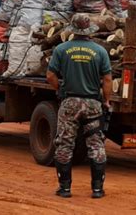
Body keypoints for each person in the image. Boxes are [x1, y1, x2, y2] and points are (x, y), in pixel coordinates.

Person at [46, 14, 112, 199]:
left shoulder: (61, 49)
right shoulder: (100, 51)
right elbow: (107, 79)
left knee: (65, 144)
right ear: (89, 30)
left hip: (70, 103)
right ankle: (97, 189)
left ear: (73, 30)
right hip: (92, 104)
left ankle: (65, 189)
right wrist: (106, 101)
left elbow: (50, 75)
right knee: (96, 145)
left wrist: (59, 89)